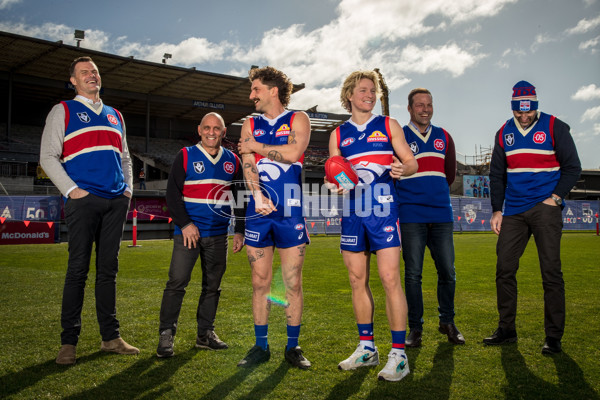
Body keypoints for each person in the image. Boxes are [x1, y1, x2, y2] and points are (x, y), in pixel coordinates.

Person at [40, 56, 139, 365]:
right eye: (84, 72)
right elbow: (47, 156)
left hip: (115, 201)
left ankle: (110, 338)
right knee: (78, 271)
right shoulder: (63, 110)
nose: (91, 76)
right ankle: (68, 342)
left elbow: (125, 156)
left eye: (94, 72)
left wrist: (127, 190)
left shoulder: (115, 115)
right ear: (73, 81)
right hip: (83, 200)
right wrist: (73, 191)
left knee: (108, 271)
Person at [328, 71, 417, 382]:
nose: (369, 95)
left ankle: (398, 355)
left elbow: (411, 162)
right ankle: (367, 348)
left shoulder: (388, 125)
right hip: (353, 212)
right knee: (356, 279)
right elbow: (334, 172)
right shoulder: (338, 135)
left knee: (390, 278)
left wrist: (402, 167)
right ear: (350, 95)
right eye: (363, 90)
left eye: (373, 91)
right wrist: (336, 184)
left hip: (383, 210)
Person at [484, 80, 581, 355]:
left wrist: (556, 198)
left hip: (545, 207)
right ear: (513, 107)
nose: (524, 117)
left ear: (535, 106)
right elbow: (497, 175)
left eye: (529, 112)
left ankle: (553, 336)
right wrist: (496, 209)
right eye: (519, 112)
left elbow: (573, 167)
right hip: (513, 210)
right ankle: (507, 329)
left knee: (550, 272)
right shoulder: (503, 132)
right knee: (504, 268)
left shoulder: (554, 127)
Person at [236, 66, 312, 369]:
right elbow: (248, 163)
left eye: (256, 89)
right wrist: (256, 195)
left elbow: (294, 154)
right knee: (260, 281)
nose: (251, 94)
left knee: (292, 281)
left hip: (290, 211)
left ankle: (293, 348)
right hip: (258, 210)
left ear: (272, 91)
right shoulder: (249, 124)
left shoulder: (298, 119)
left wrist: (256, 147)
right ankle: (261, 346)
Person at [156, 112, 245, 358]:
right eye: (207, 128)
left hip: (218, 235)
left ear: (223, 132)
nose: (211, 132)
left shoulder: (233, 160)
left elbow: (239, 197)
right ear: (199, 130)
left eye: (217, 128)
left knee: (212, 287)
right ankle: (166, 335)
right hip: (189, 234)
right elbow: (172, 195)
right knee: (176, 284)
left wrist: (239, 230)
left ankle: (205, 334)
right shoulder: (184, 155)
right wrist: (185, 224)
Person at [395, 88, 465, 348]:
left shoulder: (444, 136)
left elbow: (449, 175)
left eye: (429, 104)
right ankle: (416, 328)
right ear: (410, 109)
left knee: (448, 271)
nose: (425, 109)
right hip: (411, 214)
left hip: (441, 215)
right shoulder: (398, 135)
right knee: (413, 274)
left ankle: (447, 321)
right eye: (420, 105)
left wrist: (433, 193)